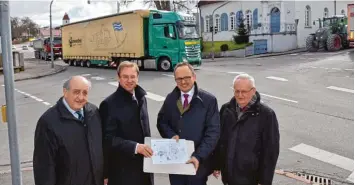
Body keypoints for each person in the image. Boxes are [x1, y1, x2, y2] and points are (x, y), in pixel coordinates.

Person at [157, 61, 220, 185]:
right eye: (179, 79)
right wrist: (171, 135)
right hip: (176, 163)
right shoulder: (171, 98)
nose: (183, 82)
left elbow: (213, 133)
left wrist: (198, 156)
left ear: (194, 77)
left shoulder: (208, 101)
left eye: (187, 78)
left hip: (198, 164)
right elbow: (161, 122)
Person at [33, 76, 104, 185]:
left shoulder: (93, 112)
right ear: (65, 92)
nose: (81, 97)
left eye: (85, 93)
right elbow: (43, 167)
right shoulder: (48, 122)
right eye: (76, 92)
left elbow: (101, 148)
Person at [212, 73, 280, 185]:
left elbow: (271, 151)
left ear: (253, 91)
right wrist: (217, 164)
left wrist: (264, 181)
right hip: (228, 175)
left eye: (244, 91)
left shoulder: (266, 115)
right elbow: (220, 140)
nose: (240, 95)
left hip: (251, 178)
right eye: (236, 91)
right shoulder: (226, 109)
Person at [99, 61, 154, 185]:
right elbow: (108, 139)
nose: (129, 80)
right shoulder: (109, 104)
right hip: (123, 171)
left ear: (137, 77)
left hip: (145, 166)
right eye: (125, 77)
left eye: (132, 76)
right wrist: (135, 147)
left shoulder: (142, 98)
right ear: (118, 77)